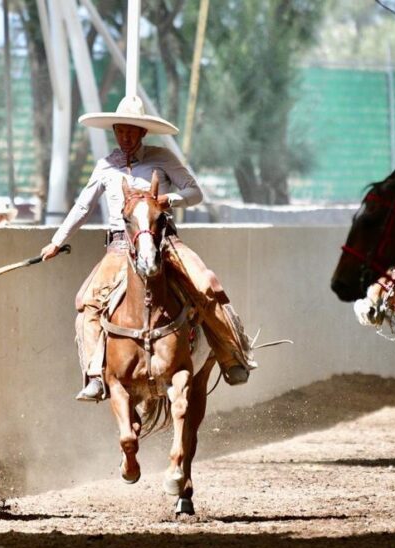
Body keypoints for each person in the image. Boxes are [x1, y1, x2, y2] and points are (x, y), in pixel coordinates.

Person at [39, 95, 257, 402]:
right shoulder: (105, 166)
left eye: (132, 131)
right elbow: (82, 206)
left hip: (164, 240)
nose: (125, 136)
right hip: (119, 245)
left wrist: (171, 200)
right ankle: (94, 374)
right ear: (114, 131)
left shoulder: (162, 157)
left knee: (206, 284)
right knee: (86, 301)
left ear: (143, 133)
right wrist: (57, 241)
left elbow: (195, 193)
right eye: (120, 130)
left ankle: (231, 354)